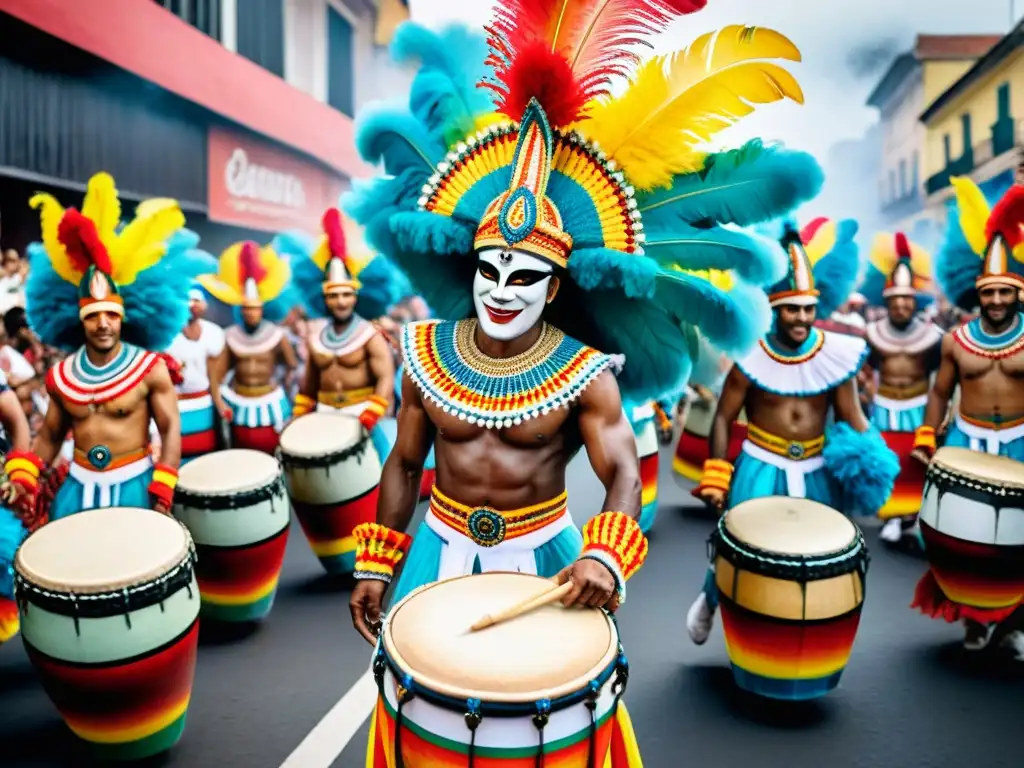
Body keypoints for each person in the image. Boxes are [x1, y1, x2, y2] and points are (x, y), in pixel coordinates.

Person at [344, 12, 824, 762]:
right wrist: (378, 560)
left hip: (548, 554)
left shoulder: (585, 372)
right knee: (416, 709)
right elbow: (404, 463)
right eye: (489, 271)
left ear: (556, 283)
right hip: (433, 552)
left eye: (525, 275)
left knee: (554, 722)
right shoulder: (423, 354)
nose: (503, 290)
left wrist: (603, 554)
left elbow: (623, 471)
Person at [687, 218, 899, 645]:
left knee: (818, 556)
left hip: (818, 466)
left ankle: (798, 640)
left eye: (808, 308)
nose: (801, 318)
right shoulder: (750, 355)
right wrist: (715, 471)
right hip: (760, 464)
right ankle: (712, 598)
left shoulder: (836, 358)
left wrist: (875, 461)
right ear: (775, 308)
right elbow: (725, 417)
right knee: (740, 546)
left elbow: (852, 415)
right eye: (792, 309)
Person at [4, 173, 191, 521]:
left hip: (135, 484)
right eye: (93, 316)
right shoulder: (62, 376)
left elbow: (170, 428)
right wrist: (25, 478)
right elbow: (49, 436)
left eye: (110, 315)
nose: (103, 324)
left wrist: (164, 485)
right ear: (79, 321)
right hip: (77, 490)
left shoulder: (151, 368)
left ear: (123, 318)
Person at [912, 178, 1024, 657]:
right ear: (976, 292)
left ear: (1017, 292)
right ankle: (974, 621)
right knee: (965, 537)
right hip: (965, 442)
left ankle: (1014, 624)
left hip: (1020, 442)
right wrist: (927, 437)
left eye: (1005, 292)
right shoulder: (954, 341)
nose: (996, 300)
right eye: (989, 293)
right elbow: (940, 392)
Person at [275, 208, 401, 462]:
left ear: (355, 297)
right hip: (325, 417)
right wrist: (298, 416)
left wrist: (372, 413)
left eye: (346, 295)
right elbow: (309, 385)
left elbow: (385, 378)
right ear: (325, 300)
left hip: (365, 416)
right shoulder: (317, 339)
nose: (341, 301)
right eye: (334, 295)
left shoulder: (370, 335)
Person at [859, 232, 943, 543]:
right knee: (889, 462)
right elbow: (865, 372)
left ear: (915, 301)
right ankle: (892, 516)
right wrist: (865, 398)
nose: (902, 305)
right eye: (896, 300)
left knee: (917, 462)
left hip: (918, 407)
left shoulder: (933, 336)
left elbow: (941, 379)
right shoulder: (871, 333)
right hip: (883, 406)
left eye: (907, 299)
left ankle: (913, 515)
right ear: (888, 302)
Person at [197, 241, 299, 454]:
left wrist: (285, 390)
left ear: (262, 309)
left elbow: (292, 366)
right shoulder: (230, 336)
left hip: (271, 401)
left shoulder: (277, 336)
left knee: (275, 453)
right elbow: (217, 374)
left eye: (254, 309)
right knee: (242, 454)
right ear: (241, 310)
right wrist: (221, 402)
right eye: (246, 309)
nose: (250, 313)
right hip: (240, 402)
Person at [164, 281, 228, 463]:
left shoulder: (213, 333)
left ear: (205, 305)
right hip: (174, 404)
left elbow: (213, 375)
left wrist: (220, 403)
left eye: (197, 300)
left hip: (203, 403)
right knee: (176, 451)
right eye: (188, 300)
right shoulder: (167, 334)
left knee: (205, 455)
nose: (193, 305)